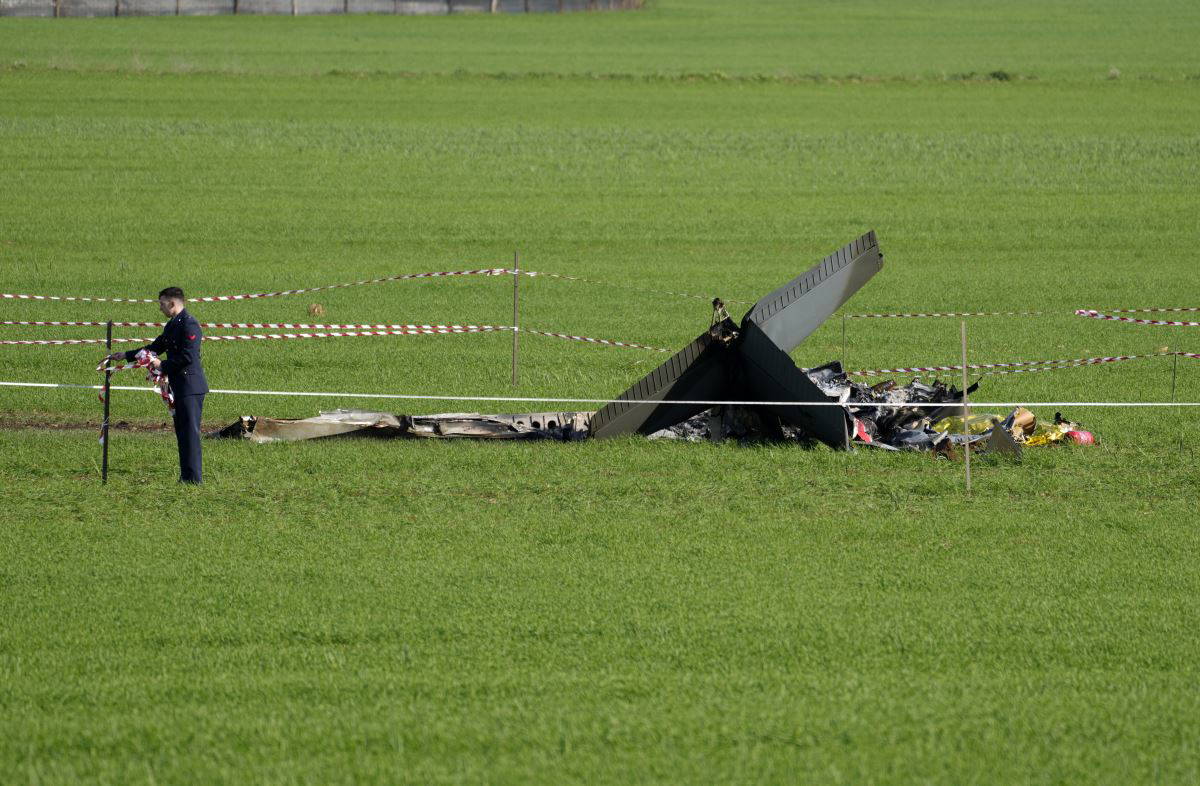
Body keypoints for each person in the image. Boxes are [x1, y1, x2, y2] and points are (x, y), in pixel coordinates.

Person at [109, 287, 209, 484]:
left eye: (162, 304)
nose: (160, 308)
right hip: (179, 386)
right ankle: (186, 477)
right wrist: (127, 355)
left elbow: (188, 357)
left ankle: (194, 480)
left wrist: (162, 365)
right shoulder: (172, 325)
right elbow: (155, 347)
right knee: (182, 434)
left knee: (190, 434)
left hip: (190, 387)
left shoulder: (189, 324)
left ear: (172, 303)